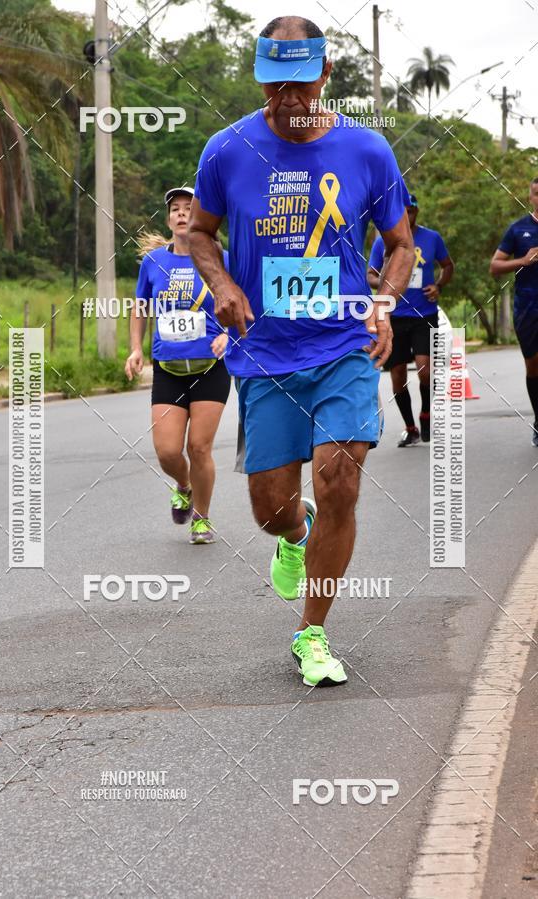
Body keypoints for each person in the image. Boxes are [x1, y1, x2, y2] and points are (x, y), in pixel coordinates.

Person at [188, 16, 413, 686]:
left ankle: (311, 631)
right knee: (268, 506)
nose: (286, 96)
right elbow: (201, 233)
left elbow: (400, 243)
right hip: (265, 354)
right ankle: (293, 532)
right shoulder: (226, 151)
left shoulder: (367, 150)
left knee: (340, 475)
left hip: (344, 344)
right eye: (273, 83)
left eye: (299, 82)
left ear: (325, 76)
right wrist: (222, 281)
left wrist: (384, 301)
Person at [125, 186, 231, 543]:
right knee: (169, 451)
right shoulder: (154, 263)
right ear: (169, 218)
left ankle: (202, 518)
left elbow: (243, 300)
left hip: (210, 367)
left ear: (200, 215)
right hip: (168, 369)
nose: (182, 213)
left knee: (199, 447)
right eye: (176, 209)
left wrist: (231, 336)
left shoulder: (221, 258)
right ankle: (183, 485)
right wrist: (135, 349)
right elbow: (140, 306)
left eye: (189, 208)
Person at [367, 195, 454, 446]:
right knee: (397, 376)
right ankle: (410, 427)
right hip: (394, 316)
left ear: (417, 212)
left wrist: (438, 285)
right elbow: (370, 275)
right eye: (404, 210)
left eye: (412, 210)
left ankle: (426, 414)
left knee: (425, 369)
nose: (409, 214)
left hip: (424, 314)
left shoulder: (431, 238)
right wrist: (384, 284)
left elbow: (448, 265)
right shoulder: (383, 241)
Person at [490, 178, 538, 446]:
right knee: (533, 366)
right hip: (528, 307)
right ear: (531, 196)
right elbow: (494, 266)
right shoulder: (518, 229)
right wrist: (523, 261)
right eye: (537, 194)